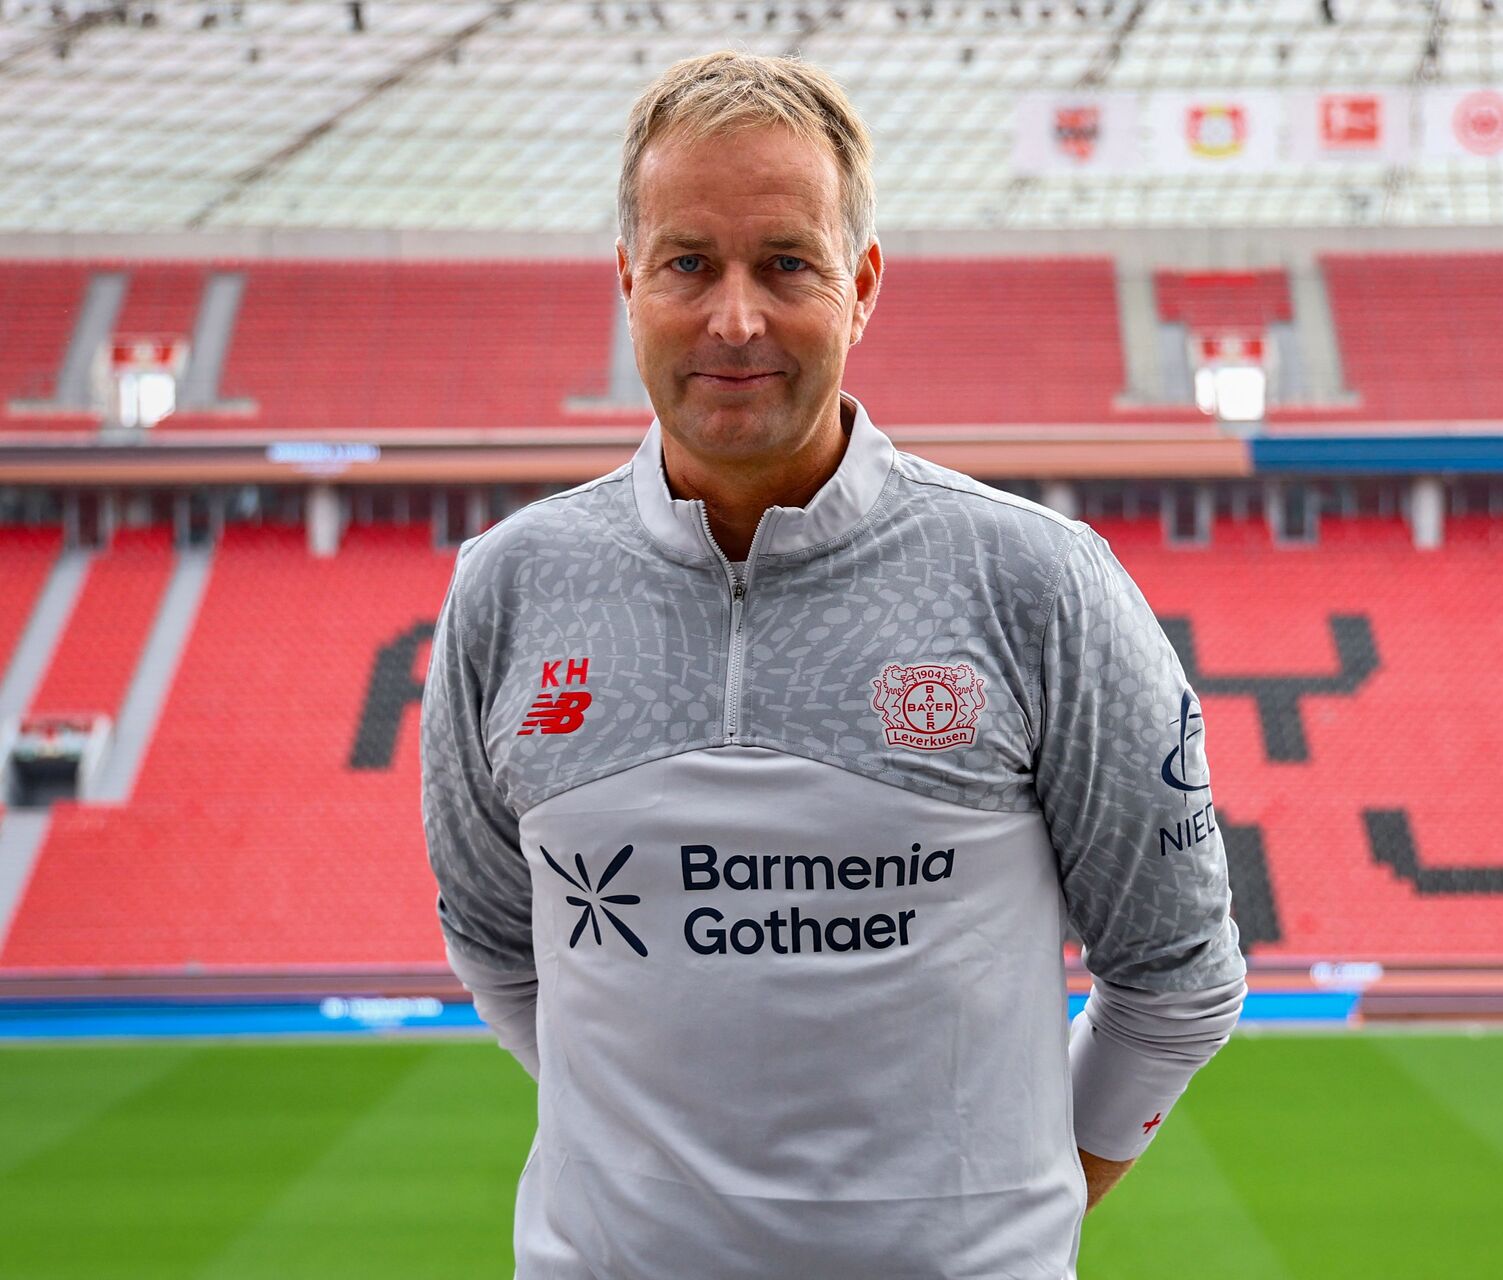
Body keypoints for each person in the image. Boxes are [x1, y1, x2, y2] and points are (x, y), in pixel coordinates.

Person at [420, 49, 1245, 1280]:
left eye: (786, 263)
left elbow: (1177, 975)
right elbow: (497, 945)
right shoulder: (510, 586)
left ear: (861, 287)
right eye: (690, 262)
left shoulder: (1038, 582)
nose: (735, 317)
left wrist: (1007, 1215)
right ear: (629, 284)